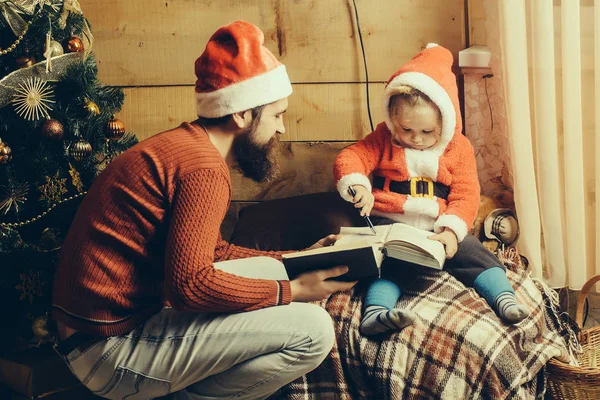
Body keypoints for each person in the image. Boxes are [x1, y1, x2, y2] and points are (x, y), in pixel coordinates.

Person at [52, 20, 356, 400]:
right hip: (108, 353)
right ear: (242, 114)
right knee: (314, 331)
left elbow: (210, 253)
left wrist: (296, 259)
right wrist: (291, 290)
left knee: (271, 269)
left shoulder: (187, 146)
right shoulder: (204, 169)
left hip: (94, 334)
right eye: (276, 115)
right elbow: (190, 287)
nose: (281, 130)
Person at [333, 43, 529, 337]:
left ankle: (505, 299)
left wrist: (451, 231)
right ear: (392, 119)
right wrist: (358, 185)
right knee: (388, 265)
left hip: (439, 224)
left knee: (475, 255)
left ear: (445, 121)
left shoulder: (458, 147)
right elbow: (351, 157)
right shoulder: (383, 138)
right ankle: (376, 314)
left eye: (427, 132)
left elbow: (465, 194)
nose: (416, 139)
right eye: (406, 129)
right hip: (392, 222)